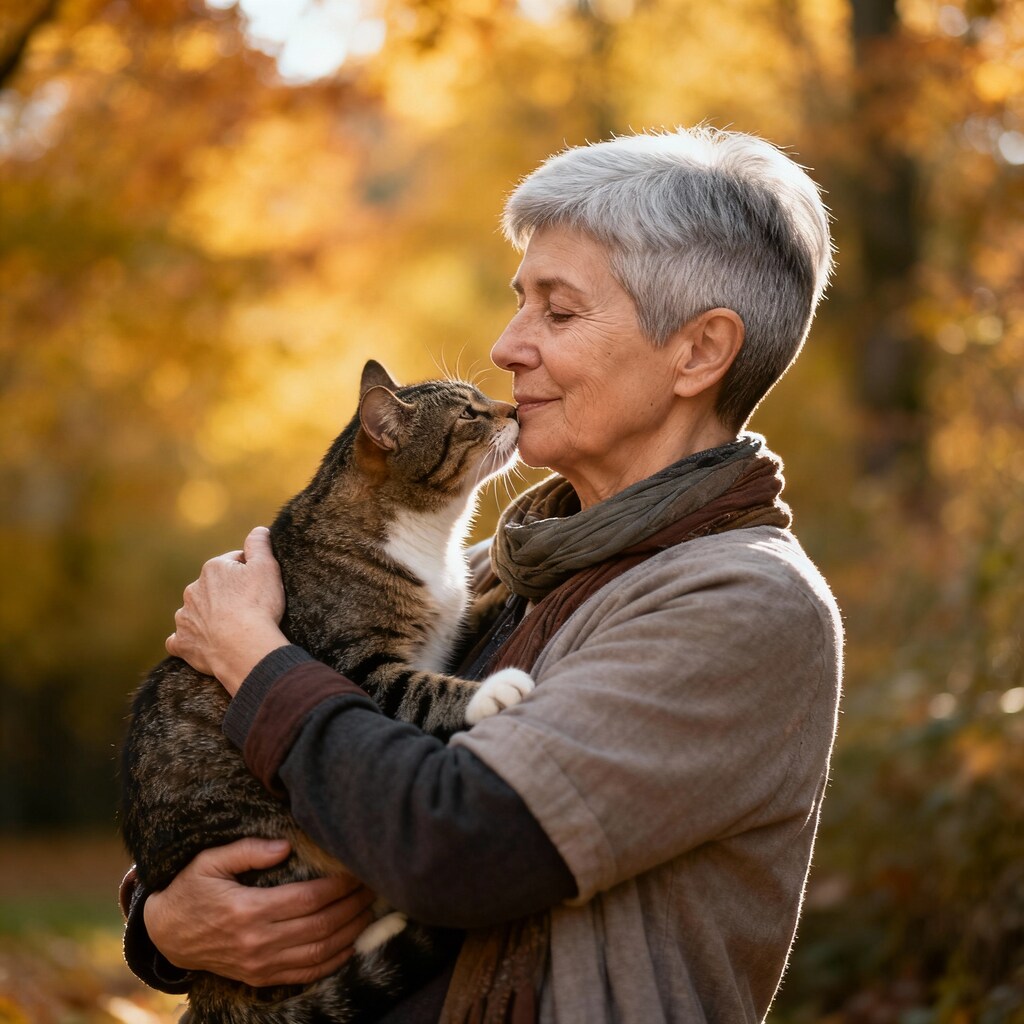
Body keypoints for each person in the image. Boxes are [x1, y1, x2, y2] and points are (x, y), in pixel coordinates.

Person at [121, 125, 843, 1023]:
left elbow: (456, 842)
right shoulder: (500, 572)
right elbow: (309, 787)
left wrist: (253, 659)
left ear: (698, 352)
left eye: (558, 311)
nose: (506, 347)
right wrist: (163, 922)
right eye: (518, 303)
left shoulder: (743, 603)